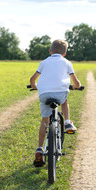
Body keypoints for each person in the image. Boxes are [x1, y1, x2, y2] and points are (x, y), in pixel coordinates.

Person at [29, 39, 81, 167]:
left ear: (50, 51)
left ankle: (40, 148)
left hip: (44, 94)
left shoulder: (44, 62)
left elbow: (32, 79)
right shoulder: (67, 62)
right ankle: (68, 122)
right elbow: (76, 82)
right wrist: (77, 86)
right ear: (64, 53)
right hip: (60, 93)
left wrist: (34, 86)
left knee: (44, 121)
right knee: (64, 100)